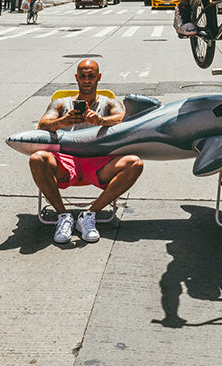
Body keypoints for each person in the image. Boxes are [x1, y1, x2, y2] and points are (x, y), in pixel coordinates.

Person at [29, 59, 143, 244]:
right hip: (66, 161)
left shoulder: (108, 103)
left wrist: (101, 121)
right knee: (37, 159)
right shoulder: (61, 103)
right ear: (76, 78)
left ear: (98, 77)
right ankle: (63, 216)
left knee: (135, 163)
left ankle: (89, 215)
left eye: (91, 76)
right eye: (82, 76)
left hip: (99, 161)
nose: (87, 80)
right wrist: (62, 122)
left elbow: (123, 118)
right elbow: (43, 124)